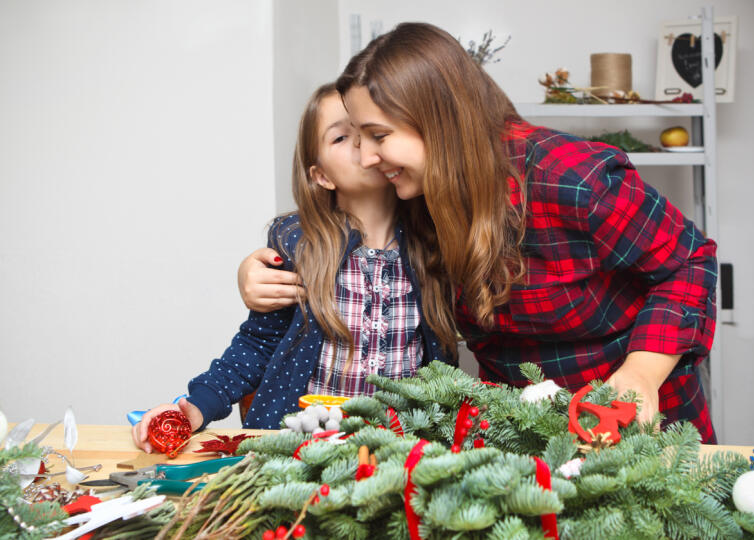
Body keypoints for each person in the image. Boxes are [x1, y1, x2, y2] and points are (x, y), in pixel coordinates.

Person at [238, 23, 719, 443]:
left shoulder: (572, 179)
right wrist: (255, 273)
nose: (366, 157)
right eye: (357, 140)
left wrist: (641, 374)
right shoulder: (419, 200)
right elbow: (339, 235)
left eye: (379, 136)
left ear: (437, 121)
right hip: (520, 435)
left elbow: (690, 262)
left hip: (637, 425)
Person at [132, 83, 457, 452]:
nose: (361, 145)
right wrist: (194, 408)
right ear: (321, 176)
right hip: (307, 451)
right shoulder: (298, 245)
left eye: (370, 132)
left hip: (402, 451)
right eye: (341, 137)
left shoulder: (434, 241)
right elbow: (256, 344)